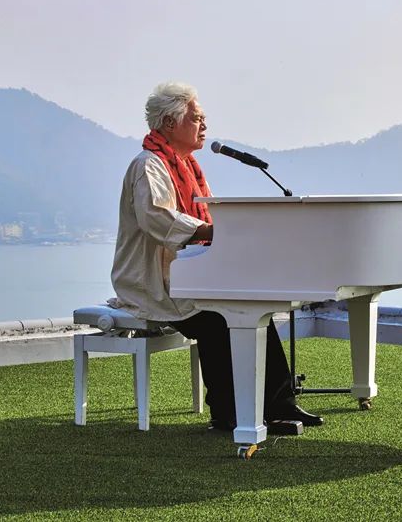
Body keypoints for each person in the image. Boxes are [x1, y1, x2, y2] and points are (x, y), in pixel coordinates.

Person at [110, 82, 322, 431]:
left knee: (252, 306)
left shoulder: (187, 166)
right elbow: (156, 218)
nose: (204, 125)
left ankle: (279, 405)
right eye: (197, 118)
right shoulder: (148, 165)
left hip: (187, 273)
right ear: (169, 123)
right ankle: (227, 413)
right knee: (217, 317)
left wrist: (223, 230)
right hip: (151, 283)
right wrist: (211, 231)